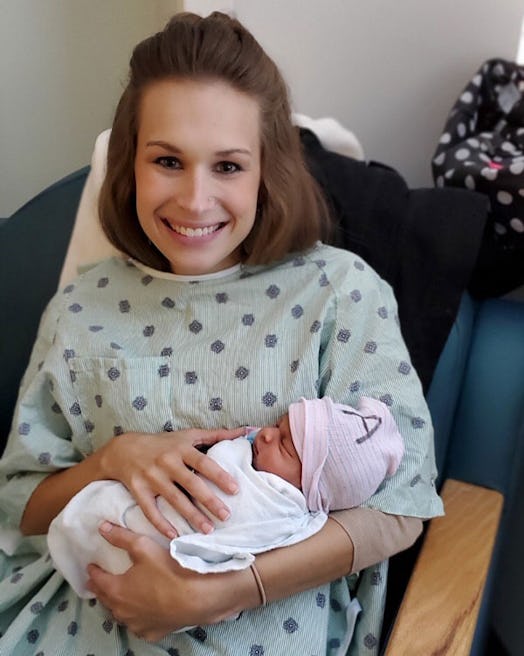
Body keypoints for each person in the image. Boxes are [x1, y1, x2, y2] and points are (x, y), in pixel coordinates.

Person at [0, 11, 443, 656]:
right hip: (73, 627)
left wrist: (229, 589)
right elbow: (21, 507)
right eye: (168, 161)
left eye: (228, 167)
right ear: (131, 164)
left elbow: (401, 506)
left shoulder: (339, 292)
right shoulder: (80, 310)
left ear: (268, 169)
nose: (195, 200)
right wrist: (110, 460)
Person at [48, 396, 404, 601]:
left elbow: (238, 551)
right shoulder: (254, 457)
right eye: (277, 427)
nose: (264, 435)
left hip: (166, 569)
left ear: (313, 490)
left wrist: (195, 588)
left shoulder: (287, 516)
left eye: (284, 445)